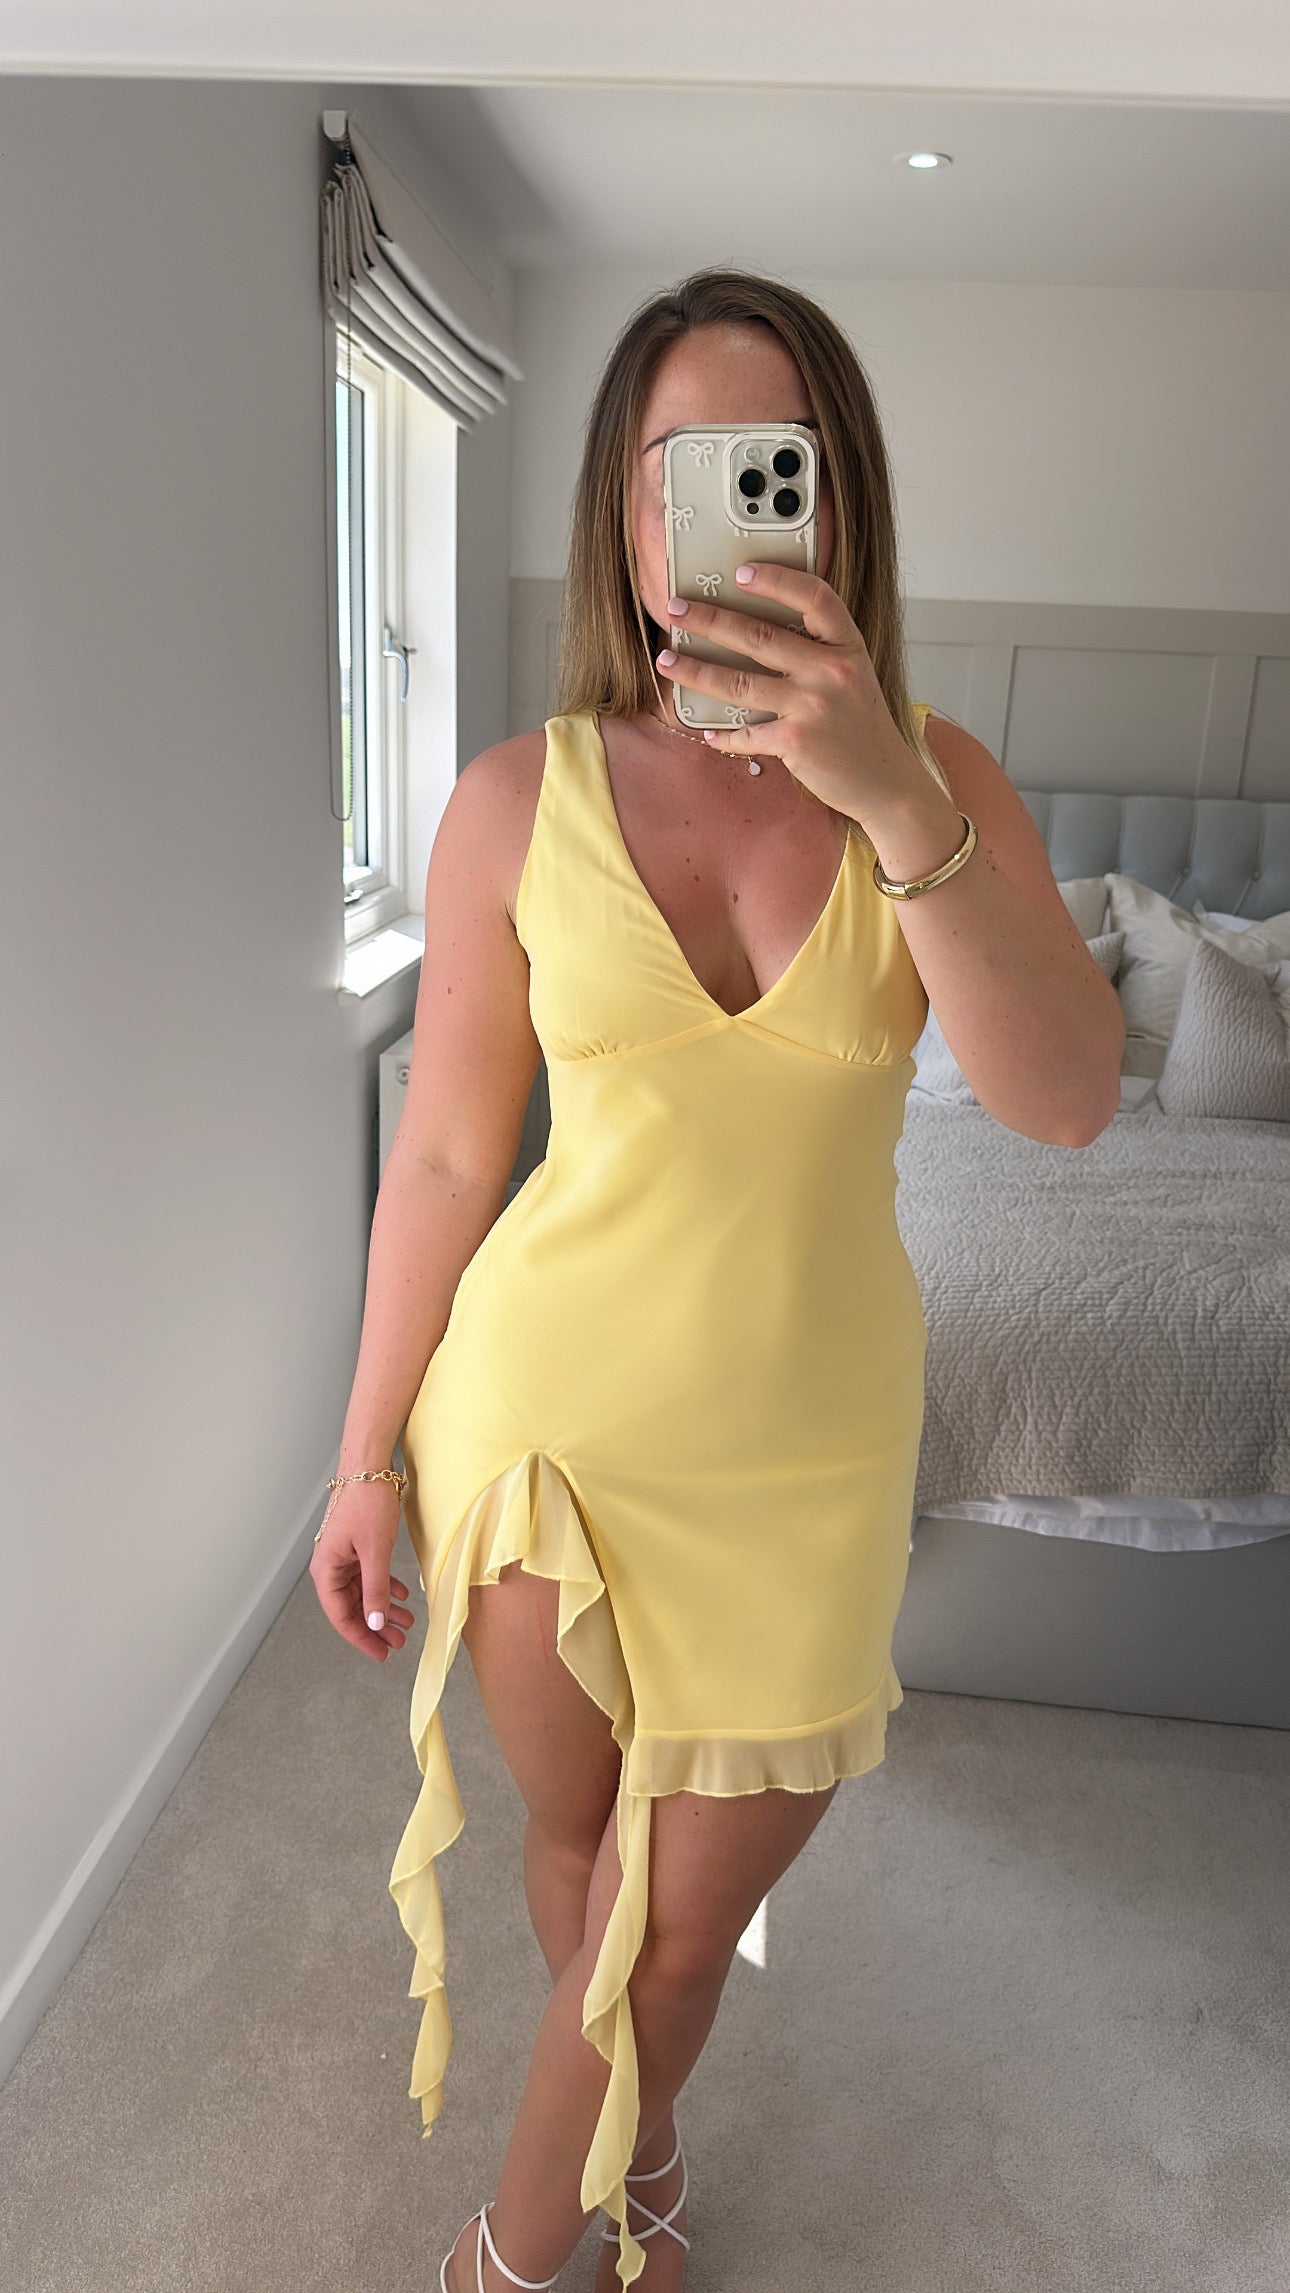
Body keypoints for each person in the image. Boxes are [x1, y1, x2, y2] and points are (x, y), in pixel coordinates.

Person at [310, 267, 977, 2293]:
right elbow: (448, 1153)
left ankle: (499, 2261)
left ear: (838, 502)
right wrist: (361, 1454)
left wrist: (888, 792)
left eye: (774, 464)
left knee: (670, 1926)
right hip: (546, 1435)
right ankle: (638, 2166)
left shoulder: (939, 783)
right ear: (624, 509)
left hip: (803, 1465)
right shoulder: (518, 799)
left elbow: (1057, 1099)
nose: (729, 508)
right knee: (580, 1851)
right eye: (681, 465)